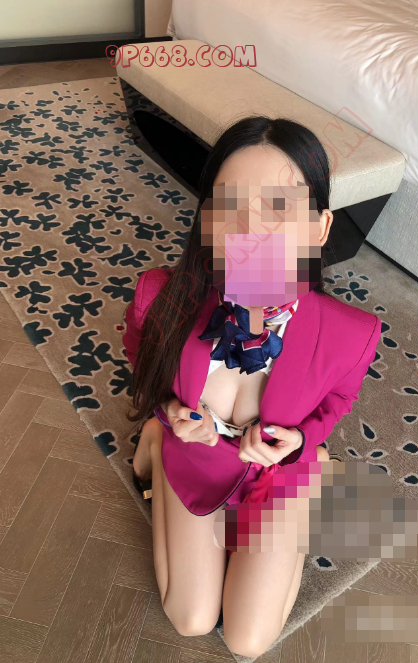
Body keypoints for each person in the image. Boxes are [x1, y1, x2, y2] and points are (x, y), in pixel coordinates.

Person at [122, 115, 382, 659]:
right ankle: (155, 442)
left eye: (279, 206)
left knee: (247, 640)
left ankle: (313, 470)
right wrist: (168, 412)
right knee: (190, 618)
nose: (251, 228)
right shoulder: (160, 296)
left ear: (319, 227)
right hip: (195, 459)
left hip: (277, 474)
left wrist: (303, 442)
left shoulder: (353, 333)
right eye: (230, 204)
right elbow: (142, 359)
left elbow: (340, 398)